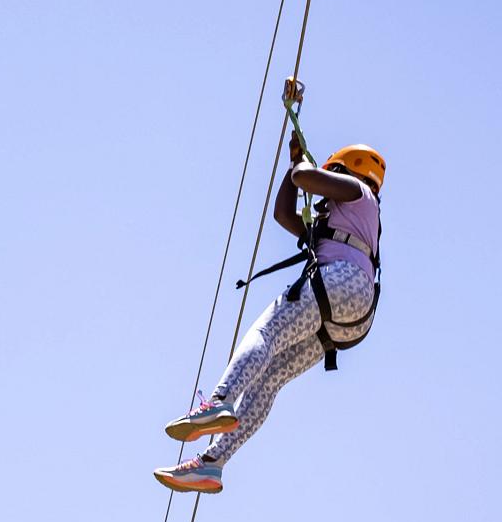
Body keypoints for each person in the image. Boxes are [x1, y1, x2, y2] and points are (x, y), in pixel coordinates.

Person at [156, 143, 385, 493]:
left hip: (340, 281)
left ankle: (219, 402)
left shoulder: (359, 192)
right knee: (270, 378)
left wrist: (301, 166)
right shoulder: (341, 224)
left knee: (267, 332)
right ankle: (212, 464)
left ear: (342, 172)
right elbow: (284, 214)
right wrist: (294, 166)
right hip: (353, 314)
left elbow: (306, 178)